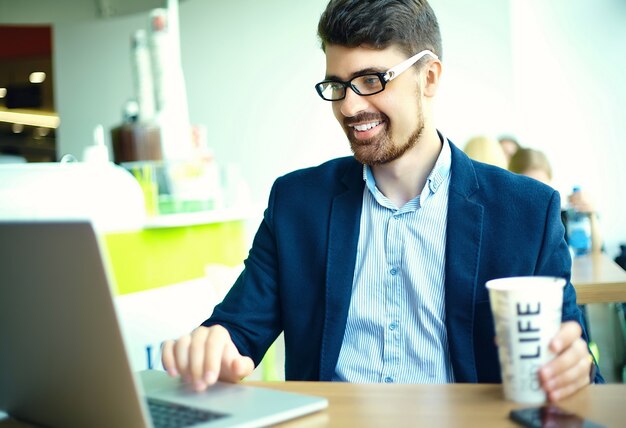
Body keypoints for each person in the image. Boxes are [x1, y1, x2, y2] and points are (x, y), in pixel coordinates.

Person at [162, 0, 602, 400]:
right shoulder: (296, 204)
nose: (350, 107)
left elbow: (577, 371)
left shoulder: (527, 211)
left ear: (428, 78)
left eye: (371, 80)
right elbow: (237, 329)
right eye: (337, 85)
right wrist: (213, 344)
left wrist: (574, 370)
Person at [508, 148, 603, 254]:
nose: (536, 195)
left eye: (542, 187)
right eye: (529, 188)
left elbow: (595, 252)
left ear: (550, 182)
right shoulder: (508, 223)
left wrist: (592, 215)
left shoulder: (561, 217)